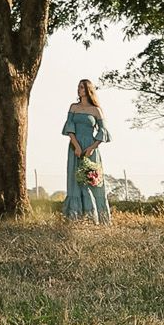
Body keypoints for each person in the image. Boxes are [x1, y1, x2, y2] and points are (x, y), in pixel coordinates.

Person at [63, 79, 111, 223]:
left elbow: (103, 132)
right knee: (75, 181)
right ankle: (75, 217)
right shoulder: (73, 107)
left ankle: (97, 218)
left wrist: (91, 148)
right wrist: (76, 146)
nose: (79, 90)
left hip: (90, 148)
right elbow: (69, 128)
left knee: (92, 181)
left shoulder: (96, 110)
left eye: (82, 88)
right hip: (75, 147)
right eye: (78, 87)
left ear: (89, 90)